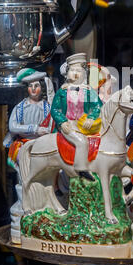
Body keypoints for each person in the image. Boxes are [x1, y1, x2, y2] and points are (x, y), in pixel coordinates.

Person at [3, 68, 54, 244]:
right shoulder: (21, 107)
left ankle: (43, 204)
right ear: (27, 89)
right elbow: (13, 127)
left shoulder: (47, 106)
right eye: (31, 86)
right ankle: (24, 205)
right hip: (25, 146)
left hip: (43, 146)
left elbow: (53, 122)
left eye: (37, 86)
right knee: (24, 178)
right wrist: (33, 129)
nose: (34, 89)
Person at [50, 52, 103, 180]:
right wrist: (62, 122)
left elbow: (97, 106)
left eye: (79, 70)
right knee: (81, 141)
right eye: (72, 70)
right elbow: (55, 109)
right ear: (67, 73)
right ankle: (81, 170)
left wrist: (91, 118)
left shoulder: (88, 91)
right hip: (69, 124)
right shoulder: (62, 92)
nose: (75, 73)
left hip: (85, 124)